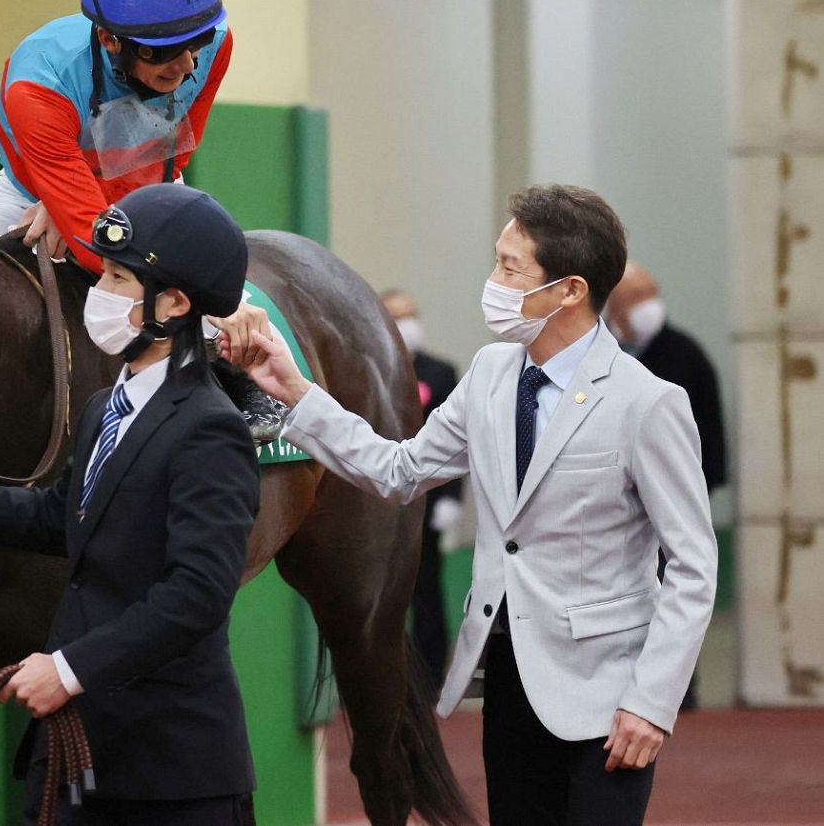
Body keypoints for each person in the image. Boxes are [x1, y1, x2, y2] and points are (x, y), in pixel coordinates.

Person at [237, 185, 718, 826]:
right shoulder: (491, 373)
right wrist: (295, 392)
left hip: (610, 697)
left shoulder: (648, 402)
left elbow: (692, 563)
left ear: (569, 290)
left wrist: (653, 702)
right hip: (508, 678)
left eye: (510, 267)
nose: (492, 280)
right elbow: (398, 468)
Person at [0, 183, 260, 825]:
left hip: (169, 779)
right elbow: (55, 517)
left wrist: (68, 671)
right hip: (77, 765)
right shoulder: (108, 407)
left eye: (120, 278)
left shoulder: (209, 427)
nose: (100, 293)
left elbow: (197, 594)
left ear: (176, 303)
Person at [0, 0, 282, 440]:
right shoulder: (36, 84)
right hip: (30, 194)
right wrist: (69, 203)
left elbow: (168, 158)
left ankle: (237, 379)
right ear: (110, 39)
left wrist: (94, 210)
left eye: (195, 41)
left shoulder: (216, 46)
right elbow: (91, 233)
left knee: (211, 296)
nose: (186, 64)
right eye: (163, 51)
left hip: (150, 189)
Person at [605, 261, 727, 710]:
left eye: (649, 292)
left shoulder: (685, 353)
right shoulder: (604, 357)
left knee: (676, 583)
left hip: (675, 496)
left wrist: (706, 484)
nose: (646, 305)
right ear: (612, 304)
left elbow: (711, 428)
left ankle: (677, 685)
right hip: (615, 500)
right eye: (634, 296)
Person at [380, 289, 463, 678]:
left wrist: (452, 498)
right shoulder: (372, 367)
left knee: (427, 591)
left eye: (411, 314)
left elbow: (458, 441)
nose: (407, 323)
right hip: (379, 498)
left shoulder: (440, 371)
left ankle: (431, 676)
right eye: (397, 316)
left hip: (427, 501)